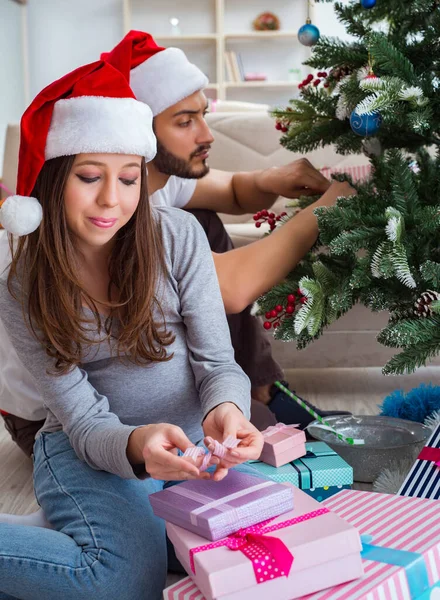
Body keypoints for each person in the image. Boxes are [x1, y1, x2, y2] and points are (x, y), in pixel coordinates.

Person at [0, 33, 353, 456]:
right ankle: (262, 396)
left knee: (203, 220)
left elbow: (236, 190)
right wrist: (331, 205)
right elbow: (232, 289)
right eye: (184, 121)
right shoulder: (86, 226)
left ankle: (261, 389)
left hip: (150, 390)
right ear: (140, 126)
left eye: (204, 115)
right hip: (54, 414)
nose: (206, 134)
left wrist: (272, 178)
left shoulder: (159, 192)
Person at [0, 59, 263, 600]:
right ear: (54, 179)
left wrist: (227, 412)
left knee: (249, 548)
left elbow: (218, 363)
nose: (111, 202)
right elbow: (82, 419)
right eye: (89, 177)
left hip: (190, 450)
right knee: (125, 580)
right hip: (87, 448)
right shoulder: (21, 282)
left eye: (128, 178)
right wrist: (138, 445)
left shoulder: (179, 236)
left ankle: (57, 540)